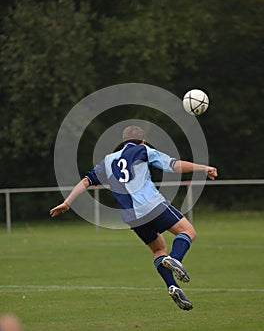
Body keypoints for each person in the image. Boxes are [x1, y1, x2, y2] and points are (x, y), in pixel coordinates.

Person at [50, 125, 217, 311]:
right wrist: (202, 168)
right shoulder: (143, 150)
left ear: (123, 142)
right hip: (151, 205)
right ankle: (176, 258)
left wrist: (67, 202)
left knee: (159, 249)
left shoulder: (108, 160)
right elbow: (174, 165)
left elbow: (86, 180)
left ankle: (172, 286)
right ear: (143, 141)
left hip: (132, 217)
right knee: (188, 231)